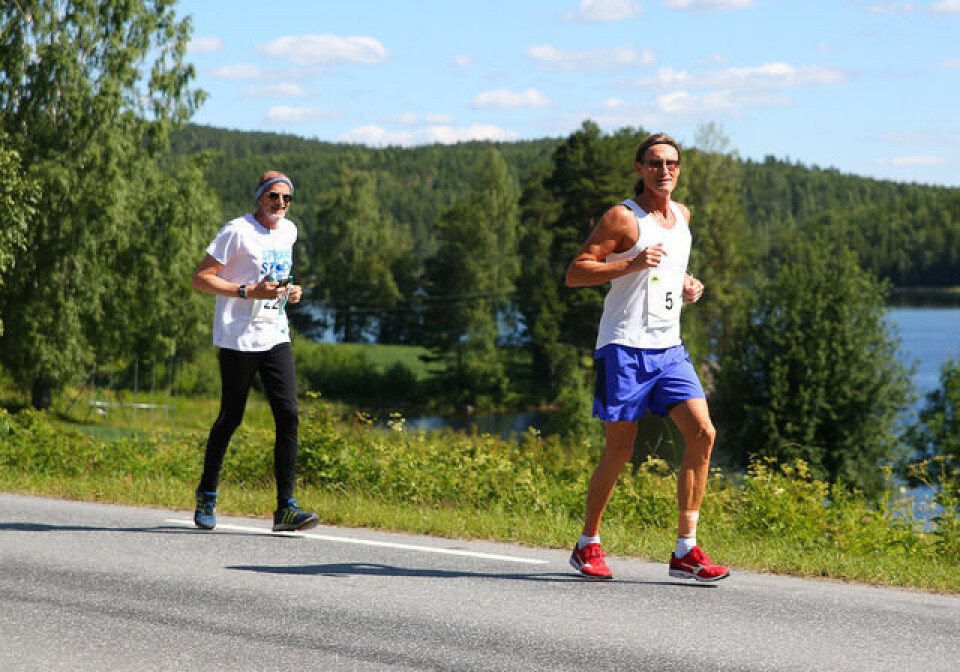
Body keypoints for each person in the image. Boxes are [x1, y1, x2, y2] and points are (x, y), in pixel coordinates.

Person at [565, 133, 729, 582]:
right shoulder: (622, 218)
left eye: (672, 163)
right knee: (620, 450)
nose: (665, 171)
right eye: (655, 163)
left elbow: (670, 272)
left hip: (669, 349)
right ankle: (587, 544)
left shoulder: (683, 216)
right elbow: (577, 272)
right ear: (639, 168)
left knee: (702, 434)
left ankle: (685, 550)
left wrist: (688, 287)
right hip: (623, 346)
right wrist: (630, 264)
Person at [190, 170, 319, 533]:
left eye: (287, 199)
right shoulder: (237, 231)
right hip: (238, 338)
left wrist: (291, 292)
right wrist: (247, 292)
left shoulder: (289, 231)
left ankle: (285, 509)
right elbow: (202, 278)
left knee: (289, 414)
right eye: (273, 197)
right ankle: (208, 493)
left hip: (274, 333)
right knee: (231, 417)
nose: (280, 204)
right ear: (259, 197)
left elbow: (279, 277)